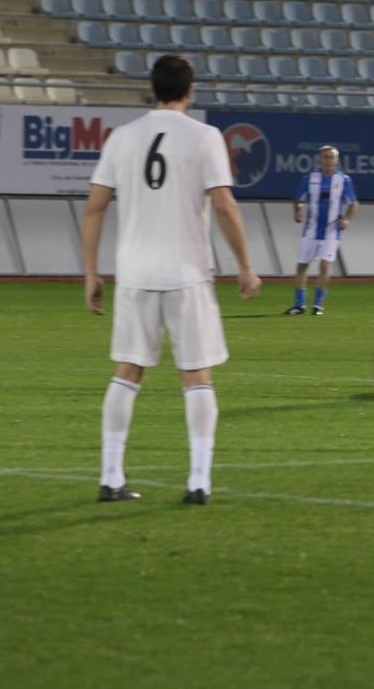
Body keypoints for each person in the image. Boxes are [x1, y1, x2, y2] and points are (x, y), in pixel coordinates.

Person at [82, 54, 261, 505]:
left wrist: (91, 273)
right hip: (186, 274)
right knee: (196, 376)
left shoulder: (122, 138)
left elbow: (95, 207)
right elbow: (224, 205)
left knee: (127, 372)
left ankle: (110, 476)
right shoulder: (204, 137)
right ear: (190, 90)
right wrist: (244, 265)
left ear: (152, 88)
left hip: (135, 273)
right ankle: (198, 481)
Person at [284, 145, 357, 316]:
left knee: (325, 265)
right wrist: (298, 210)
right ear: (319, 159)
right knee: (302, 265)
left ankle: (318, 304)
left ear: (337, 160)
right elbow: (298, 199)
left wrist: (346, 218)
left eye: (331, 157)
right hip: (311, 230)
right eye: (325, 156)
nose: (328, 160)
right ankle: (299, 304)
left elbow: (353, 203)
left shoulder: (343, 180)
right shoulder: (309, 178)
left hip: (331, 230)